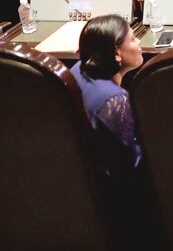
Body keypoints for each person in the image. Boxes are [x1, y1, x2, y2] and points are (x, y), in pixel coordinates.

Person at [69, 15, 148, 221]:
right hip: (116, 197)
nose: (139, 44)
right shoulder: (115, 101)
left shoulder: (78, 69)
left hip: (81, 179)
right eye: (132, 39)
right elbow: (134, 161)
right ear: (116, 52)